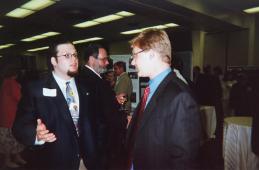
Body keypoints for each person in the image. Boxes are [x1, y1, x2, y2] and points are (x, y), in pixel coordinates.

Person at [12, 39, 100, 170]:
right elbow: (19, 126)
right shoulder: (36, 90)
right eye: (67, 55)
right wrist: (36, 135)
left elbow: (95, 122)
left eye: (75, 54)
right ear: (53, 61)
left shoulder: (87, 87)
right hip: (54, 162)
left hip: (86, 162)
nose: (74, 59)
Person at [125, 29, 201, 170]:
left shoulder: (180, 96)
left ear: (151, 54)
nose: (133, 62)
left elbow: (184, 160)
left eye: (135, 55)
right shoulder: (152, 88)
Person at [78, 43, 126, 169]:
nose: (107, 63)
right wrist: (126, 120)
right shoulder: (97, 83)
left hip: (87, 140)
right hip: (99, 140)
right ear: (91, 59)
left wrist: (113, 100)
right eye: (104, 59)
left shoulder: (80, 78)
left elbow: (94, 106)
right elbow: (105, 113)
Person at [0, 69, 26, 168]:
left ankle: (16, 157)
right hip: (10, 117)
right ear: (15, 74)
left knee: (12, 140)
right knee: (10, 140)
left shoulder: (4, 82)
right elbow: (19, 98)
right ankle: (8, 160)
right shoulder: (12, 83)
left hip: (5, 117)